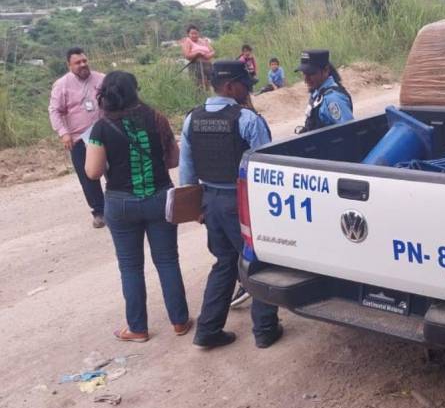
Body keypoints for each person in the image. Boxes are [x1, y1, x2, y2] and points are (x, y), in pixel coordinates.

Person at [179, 59, 282, 349]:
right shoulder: (247, 120)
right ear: (230, 86)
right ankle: (264, 329)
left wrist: (197, 207)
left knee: (224, 263)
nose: (246, 91)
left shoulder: (191, 119)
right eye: (244, 86)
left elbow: (186, 171)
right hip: (241, 204)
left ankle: (208, 330)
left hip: (210, 202)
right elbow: (265, 168)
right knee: (258, 263)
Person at [84, 71, 191, 342]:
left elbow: (93, 172)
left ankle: (138, 328)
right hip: (158, 197)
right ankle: (179, 321)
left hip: (121, 203)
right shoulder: (157, 118)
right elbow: (174, 160)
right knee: (167, 261)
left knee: (130, 267)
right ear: (135, 90)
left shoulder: (101, 128)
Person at [48, 47, 106, 228]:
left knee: (117, 171)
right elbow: (54, 111)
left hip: (105, 134)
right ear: (69, 65)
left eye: (84, 61)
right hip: (80, 139)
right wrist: (63, 133)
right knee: (88, 176)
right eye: (78, 63)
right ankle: (99, 212)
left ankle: (119, 207)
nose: (83, 65)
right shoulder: (62, 85)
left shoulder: (101, 79)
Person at [296, 49, 353, 133]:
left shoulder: (333, 99)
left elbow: (349, 131)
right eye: (304, 73)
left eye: (311, 73)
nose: (306, 79)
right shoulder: (317, 93)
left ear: (326, 70)